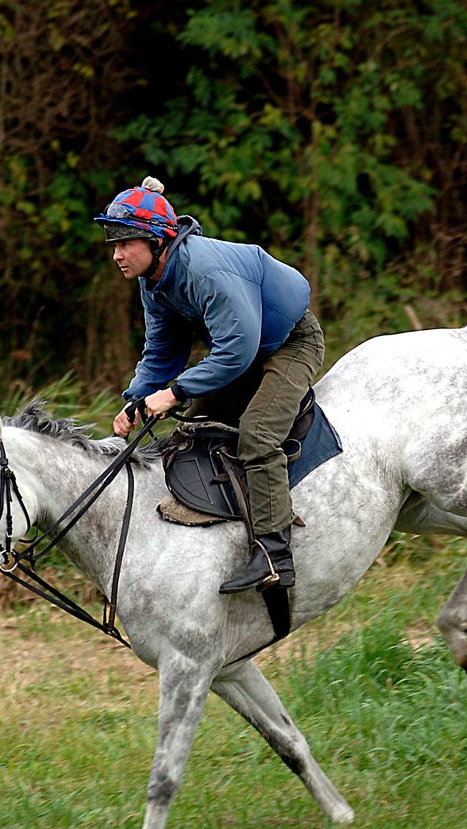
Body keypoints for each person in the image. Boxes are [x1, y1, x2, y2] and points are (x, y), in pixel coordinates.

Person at [95, 176, 325, 593]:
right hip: (247, 351)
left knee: (257, 434)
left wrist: (174, 392)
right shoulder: (154, 283)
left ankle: (276, 556)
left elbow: (236, 350)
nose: (117, 255)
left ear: (157, 241)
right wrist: (137, 400)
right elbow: (163, 352)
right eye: (114, 244)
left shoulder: (205, 271)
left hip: (290, 343)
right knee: (192, 432)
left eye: (125, 243)